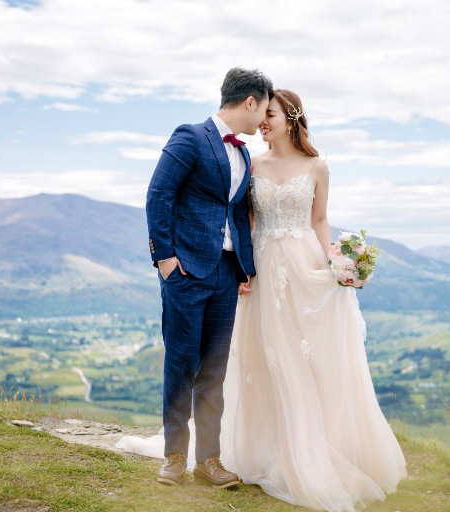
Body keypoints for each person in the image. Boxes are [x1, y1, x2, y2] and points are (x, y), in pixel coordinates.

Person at [220, 89, 407, 511]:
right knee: (268, 359)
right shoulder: (252, 164)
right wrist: (242, 269)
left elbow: (319, 219)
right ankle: (268, 450)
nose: (262, 122)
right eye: (261, 115)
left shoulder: (317, 166)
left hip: (306, 269)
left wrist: (337, 268)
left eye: (269, 115)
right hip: (264, 269)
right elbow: (245, 219)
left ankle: (314, 449)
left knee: (309, 362)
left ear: (291, 117)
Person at [144, 67, 273, 487]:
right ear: (250, 102)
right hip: (185, 271)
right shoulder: (191, 136)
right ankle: (175, 458)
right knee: (181, 365)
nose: (263, 121)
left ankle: (209, 460)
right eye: (264, 109)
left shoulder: (244, 153)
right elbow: (158, 195)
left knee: (214, 371)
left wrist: (246, 267)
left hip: (225, 274)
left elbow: (236, 212)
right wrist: (165, 259)